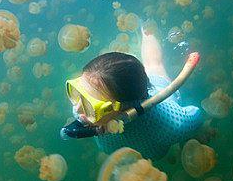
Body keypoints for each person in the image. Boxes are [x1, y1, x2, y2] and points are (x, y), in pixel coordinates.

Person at [64, 22, 203, 160]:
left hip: (159, 94)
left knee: (154, 65)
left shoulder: (172, 122)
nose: (76, 108)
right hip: (145, 143)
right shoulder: (84, 112)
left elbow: (195, 115)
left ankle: (147, 27)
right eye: (76, 92)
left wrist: (191, 135)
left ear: (124, 111)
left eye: (90, 106)